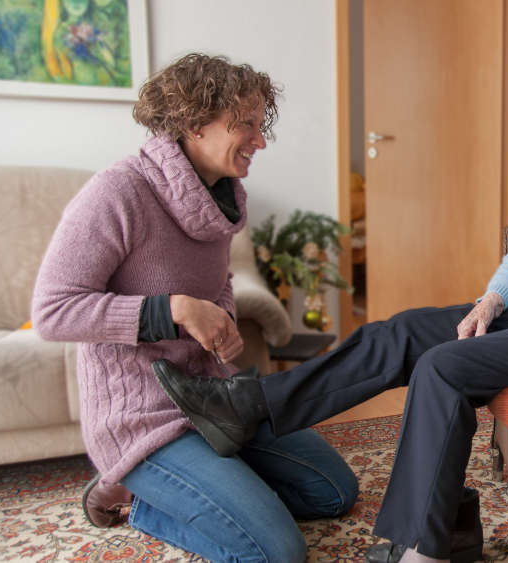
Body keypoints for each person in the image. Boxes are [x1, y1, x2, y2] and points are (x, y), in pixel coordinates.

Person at [152, 25, 508, 563]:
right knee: (400, 333)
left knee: (442, 367)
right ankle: (248, 408)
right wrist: (490, 300)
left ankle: (428, 547)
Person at [31, 53, 358, 563]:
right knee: (277, 553)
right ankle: (134, 492)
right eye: (246, 125)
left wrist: (222, 319)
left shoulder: (220, 199)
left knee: (334, 493)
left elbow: (219, 283)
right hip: (141, 417)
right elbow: (53, 310)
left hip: (211, 400)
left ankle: (207, 485)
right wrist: (176, 309)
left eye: (259, 123)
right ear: (193, 124)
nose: (260, 140)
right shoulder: (118, 193)